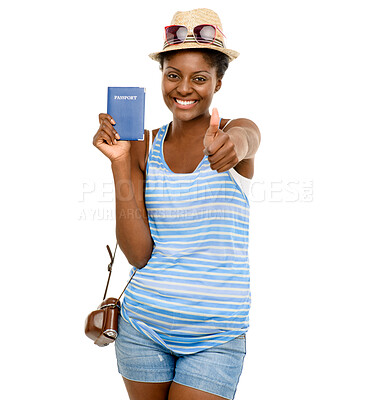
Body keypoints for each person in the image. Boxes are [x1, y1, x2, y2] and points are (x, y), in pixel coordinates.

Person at [92, 8, 261, 400]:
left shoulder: (234, 134)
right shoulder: (144, 144)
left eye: (200, 78)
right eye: (173, 75)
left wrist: (235, 146)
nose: (184, 88)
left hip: (216, 338)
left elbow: (251, 136)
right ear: (162, 77)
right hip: (143, 330)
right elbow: (137, 253)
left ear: (218, 82)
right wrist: (120, 163)